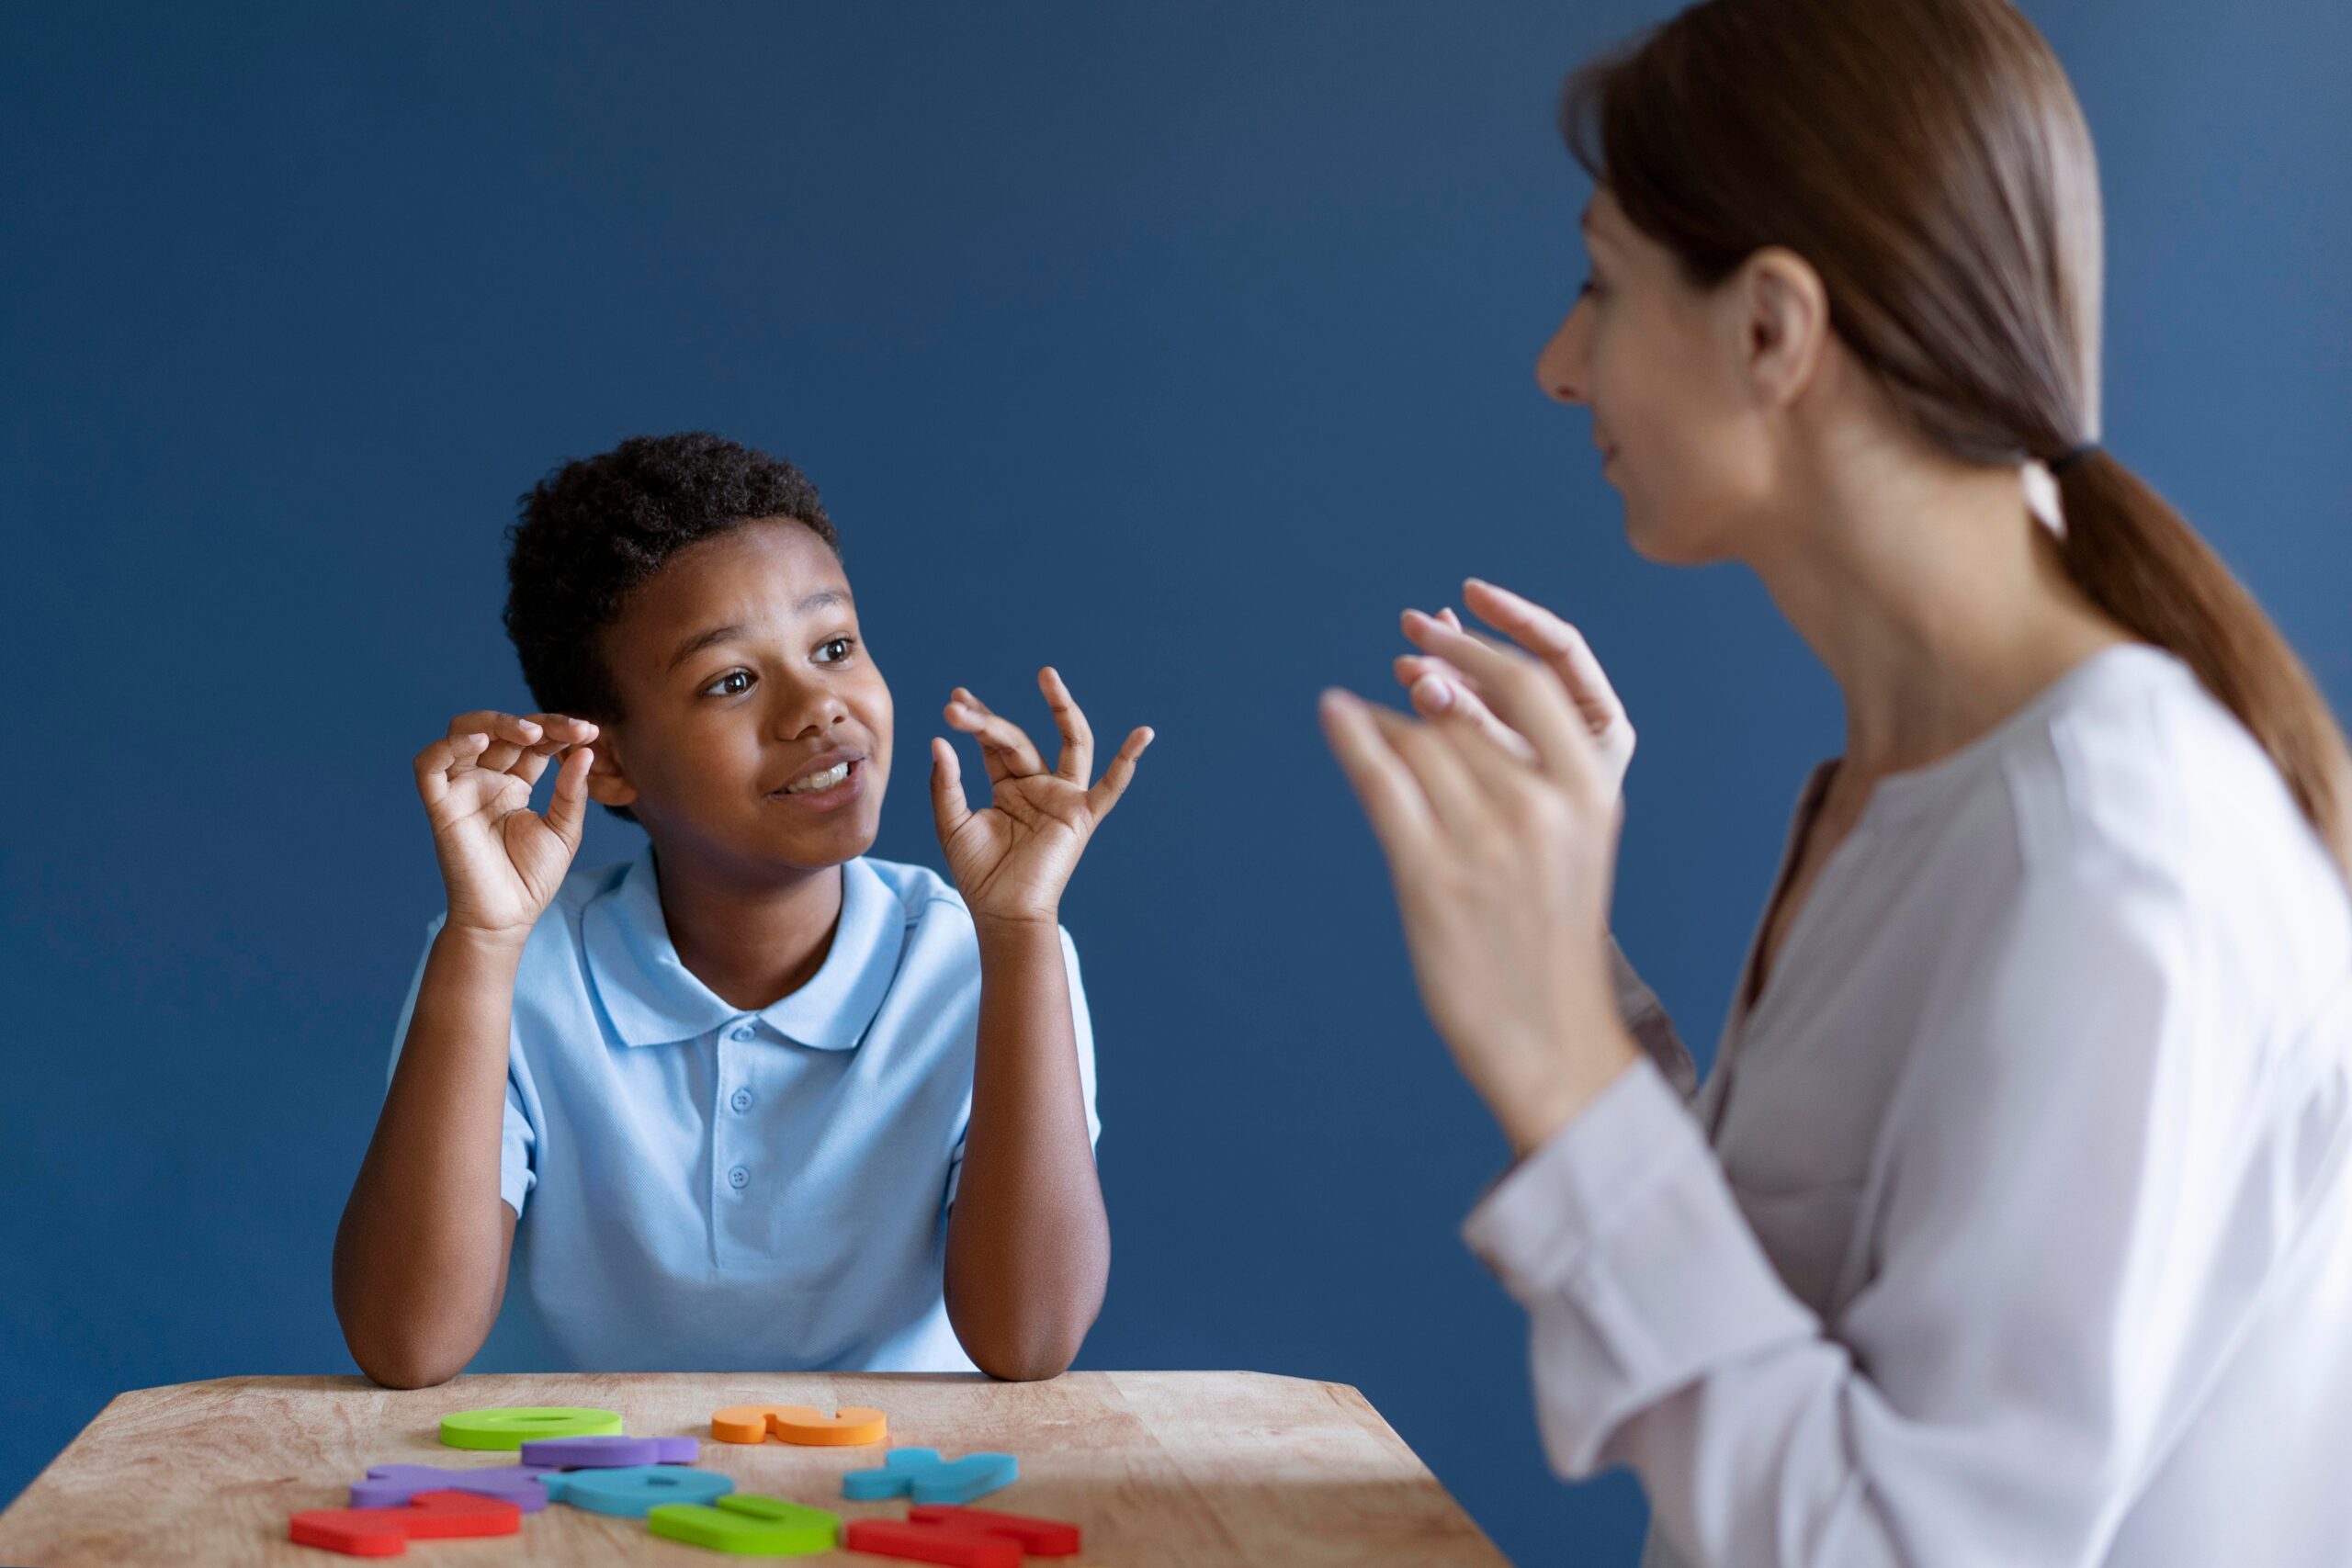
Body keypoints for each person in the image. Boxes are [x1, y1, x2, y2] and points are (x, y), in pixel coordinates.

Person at [1317, 1, 2352, 1562]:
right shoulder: (1922, 786)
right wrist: (1567, 965)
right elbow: (1790, 1322)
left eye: (1602, 284)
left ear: (1771, 329)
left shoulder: (2110, 860)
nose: (1558, 364)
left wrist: (1559, 1060)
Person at [334, 432, 1150, 1386]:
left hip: (905, 1502)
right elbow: (406, 1344)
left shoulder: (980, 953)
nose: (818, 707)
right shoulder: (512, 966)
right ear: (612, 765)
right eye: (731, 681)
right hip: (624, 1503)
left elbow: (1030, 1340)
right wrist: (480, 938)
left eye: (834, 646)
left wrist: (1019, 937)